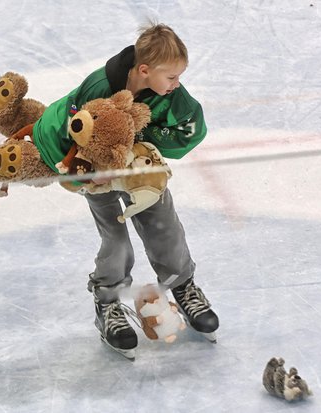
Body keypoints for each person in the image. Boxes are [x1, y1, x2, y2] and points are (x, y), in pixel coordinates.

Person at [31, 23, 218, 359]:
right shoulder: (98, 88)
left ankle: (183, 285)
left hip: (139, 165)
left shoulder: (174, 97)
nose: (177, 84)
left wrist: (142, 146)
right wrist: (85, 174)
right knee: (115, 239)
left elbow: (192, 130)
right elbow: (74, 137)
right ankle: (107, 304)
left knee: (164, 225)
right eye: (171, 77)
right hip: (94, 165)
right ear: (144, 70)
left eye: (179, 77)